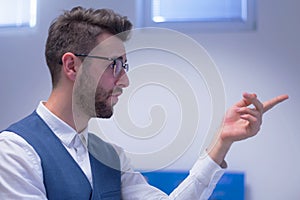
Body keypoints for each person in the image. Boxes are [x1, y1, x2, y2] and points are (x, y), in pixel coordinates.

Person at [0, 6, 288, 200]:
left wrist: (222, 141)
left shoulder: (111, 157)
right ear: (72, 66)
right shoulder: (14, 152)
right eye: (114, 65)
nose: (125, 80)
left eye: (125, 66)